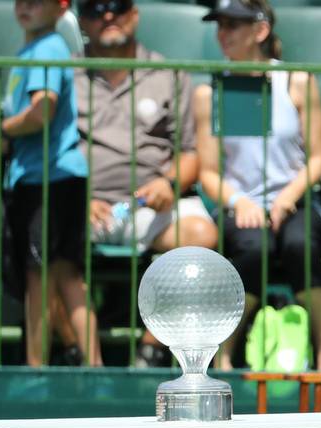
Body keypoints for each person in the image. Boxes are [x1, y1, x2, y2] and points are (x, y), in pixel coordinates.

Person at [192, 0, 321, 371]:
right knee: (252, 247)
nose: (223, 34)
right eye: (220, 26)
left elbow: (318, 158)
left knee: (300, 243)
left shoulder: (297, 80)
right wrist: (240, 201)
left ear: (260, 31)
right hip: (240, 207)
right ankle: (223, 357)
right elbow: (208, 171)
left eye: (233, 25)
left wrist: (287, 198)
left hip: (297, 202)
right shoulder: (209, 93)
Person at [74, 0, 218, 367]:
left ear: (134, 15)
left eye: (117, 6)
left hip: (147, 208)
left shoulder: (167, 73)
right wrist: (79, 196)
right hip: (81, 207)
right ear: (81, 21)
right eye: (94, 8)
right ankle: (88, 364)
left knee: (201, 234)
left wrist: (168, 183)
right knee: (42, 244)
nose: (107, 15)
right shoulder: (65, 74)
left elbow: (190, 153)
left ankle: (152, 348)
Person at [0, 0, 98, 367]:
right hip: (41, 179)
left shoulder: (48, 48)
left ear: (61, 8)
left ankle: (39, 370)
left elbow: (41, 112)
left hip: (51, 181)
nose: (26, 7)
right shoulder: (30, 50)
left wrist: (5, 127)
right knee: (56, 276)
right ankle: (90, 369)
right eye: (22, 0)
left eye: (37, 2)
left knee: (46, 279)